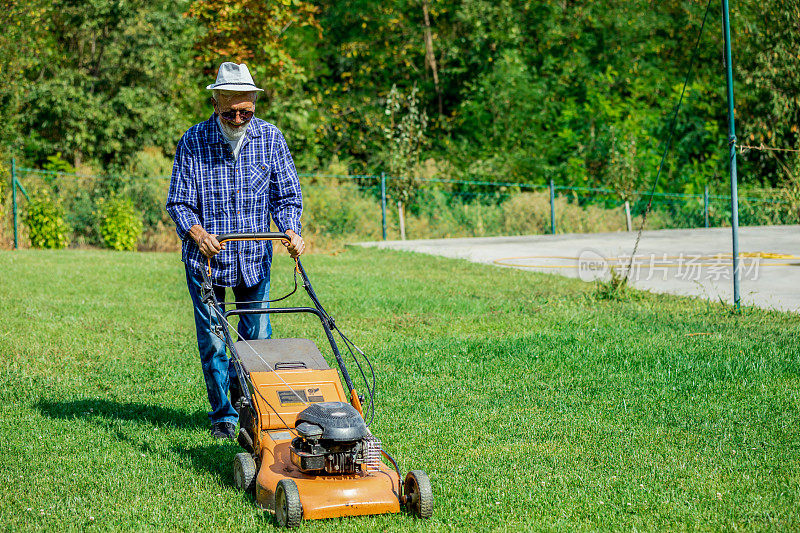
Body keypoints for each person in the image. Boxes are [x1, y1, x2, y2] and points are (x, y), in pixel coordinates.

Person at [166, 62, 305, 440]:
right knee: (213, 338)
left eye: (247, 110)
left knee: (257, 336)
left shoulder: (271, 138)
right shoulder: (193, 141)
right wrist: (196, 232)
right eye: (231, 111)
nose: (239, 117)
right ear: (215, 103)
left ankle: (252, 404)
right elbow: (178, 203)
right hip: (206, 260)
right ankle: (223, 416)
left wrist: (291, 229)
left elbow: (287, 196)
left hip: (254, 258)